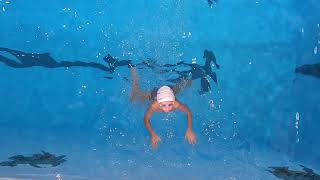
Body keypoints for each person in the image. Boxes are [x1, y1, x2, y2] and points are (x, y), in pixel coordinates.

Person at [130, 68, 197, 149]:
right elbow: (146, 119)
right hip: (154, 94)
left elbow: (188, 112)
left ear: (173, 101)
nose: (167, 109)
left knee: (184, 85)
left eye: (170, 105)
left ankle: (188, 78)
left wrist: (190, 129)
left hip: (171, 89)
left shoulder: (176, 104)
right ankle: (135, 79)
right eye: (163, 105)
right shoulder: (154, 106)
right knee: (135, 98)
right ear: (159, 103)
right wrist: (153, 134)